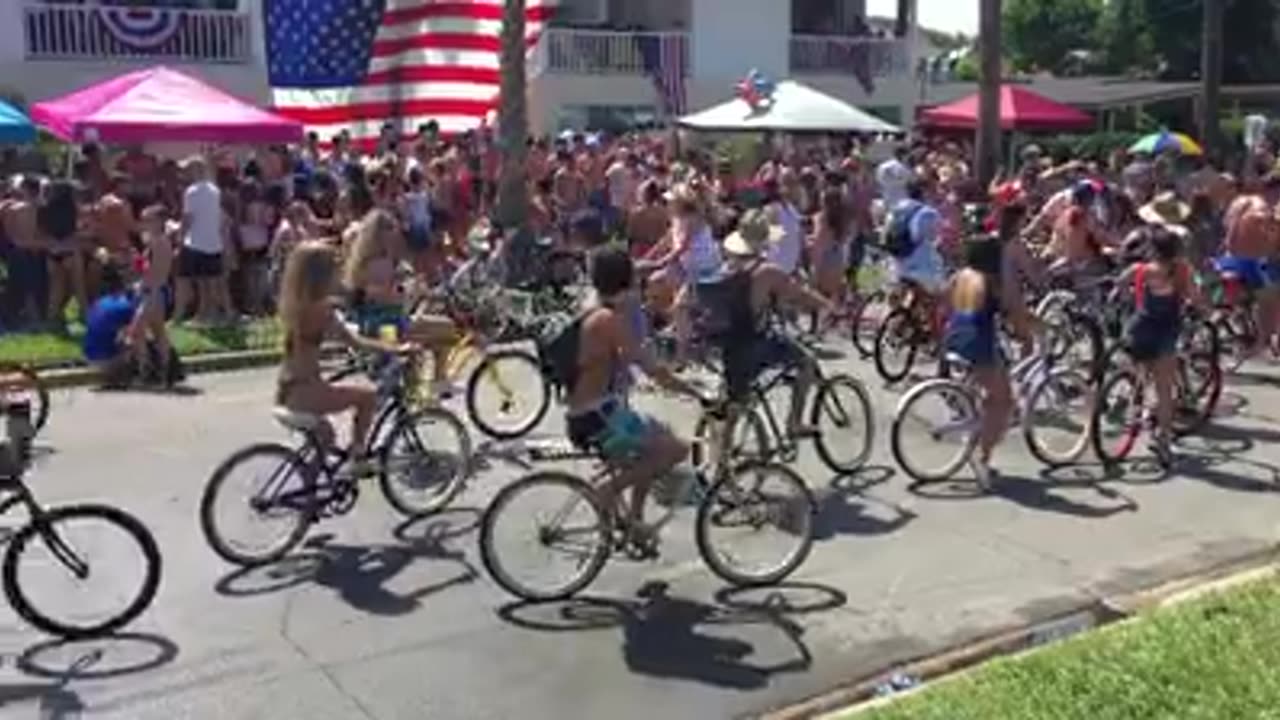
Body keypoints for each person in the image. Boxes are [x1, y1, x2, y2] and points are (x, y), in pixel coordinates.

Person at [565, 246, 704, 551]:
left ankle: (635, 525)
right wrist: (696, 393)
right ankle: (606, 490)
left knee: (653, 443)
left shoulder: (591, 306)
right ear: (626, 281)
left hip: (589, 412)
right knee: (676, 450)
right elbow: (652, 370)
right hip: (600, 418)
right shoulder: (609, 321)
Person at [277, 241, 414, 476]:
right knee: (368, 397)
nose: (339, 274)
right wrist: (396, 349)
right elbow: (355, 341)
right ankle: (358, 458)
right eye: (335, 269)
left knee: (326, 437)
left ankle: (310, 493)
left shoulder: (295, 304)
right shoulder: (321, 310)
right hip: (307, 392)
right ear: (321, 275)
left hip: (288, 388)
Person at [713, 210, 834, 446]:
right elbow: (800, 295)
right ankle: (794, 423)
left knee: (738, 402)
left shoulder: (726, 268)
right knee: (807, 362)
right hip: (755, 345)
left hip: (730, 347)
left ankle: (721, 461)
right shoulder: (766, 271)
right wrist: (829, 306)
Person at [942, 228, 1036, 489]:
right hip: (978, 344)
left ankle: (977, 430)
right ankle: (981, 457)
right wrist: (1027, 334)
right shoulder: (993, 282)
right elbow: (1015, 314)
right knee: (1004, 402)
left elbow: (946, 303)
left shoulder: (960, 276)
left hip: (954, 337)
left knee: (991, 389)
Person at [344, 209, 459, 397]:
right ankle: (436, 382)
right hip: (387, 324)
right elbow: (387, 296)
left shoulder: (364, 261)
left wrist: (415, 290)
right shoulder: (379, 262)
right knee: (445, 328)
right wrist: (410, 292)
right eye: (390, 231)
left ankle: (425, 386)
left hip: (383, 320)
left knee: (436, 336)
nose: (394, 236)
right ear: (379, 234)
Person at [1121, 226, 1203, 467]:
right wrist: (1202, 309)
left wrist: (1128, 292)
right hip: (1166, 331)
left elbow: (1120, 283)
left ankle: (1132, 400)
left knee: (1137, 368)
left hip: (1141, 327)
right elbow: (1194, 296)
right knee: (1164, 390)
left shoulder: (1142, 270)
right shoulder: (1181, 271)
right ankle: (1164, 441)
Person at [174, 156, 229, 323]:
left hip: (196, 241)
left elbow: (188, 217)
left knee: (200, 282)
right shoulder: (215, 190)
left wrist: (180, 236)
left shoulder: (191, 192)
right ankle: (210, 314)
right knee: (213, 281)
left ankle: (204, 314)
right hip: (213, 241)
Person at [129, 205, 176, 385]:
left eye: (147, 220)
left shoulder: (158, 242)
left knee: (136, 332)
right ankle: (165, 371)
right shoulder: (160, 241)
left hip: (153, 292)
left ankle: (146, 370)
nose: (144, 224)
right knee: (158, 332)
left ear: (157, 221)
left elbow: (154, 270)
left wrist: (140, 270)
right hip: (158, 291)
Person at [82, 259, 140, 387]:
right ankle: (121, 375)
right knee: (137, 337)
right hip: (106, 360)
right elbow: (131, 333)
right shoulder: (127, 306)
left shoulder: (99, 302)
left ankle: (110, 374)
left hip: (88, 356)